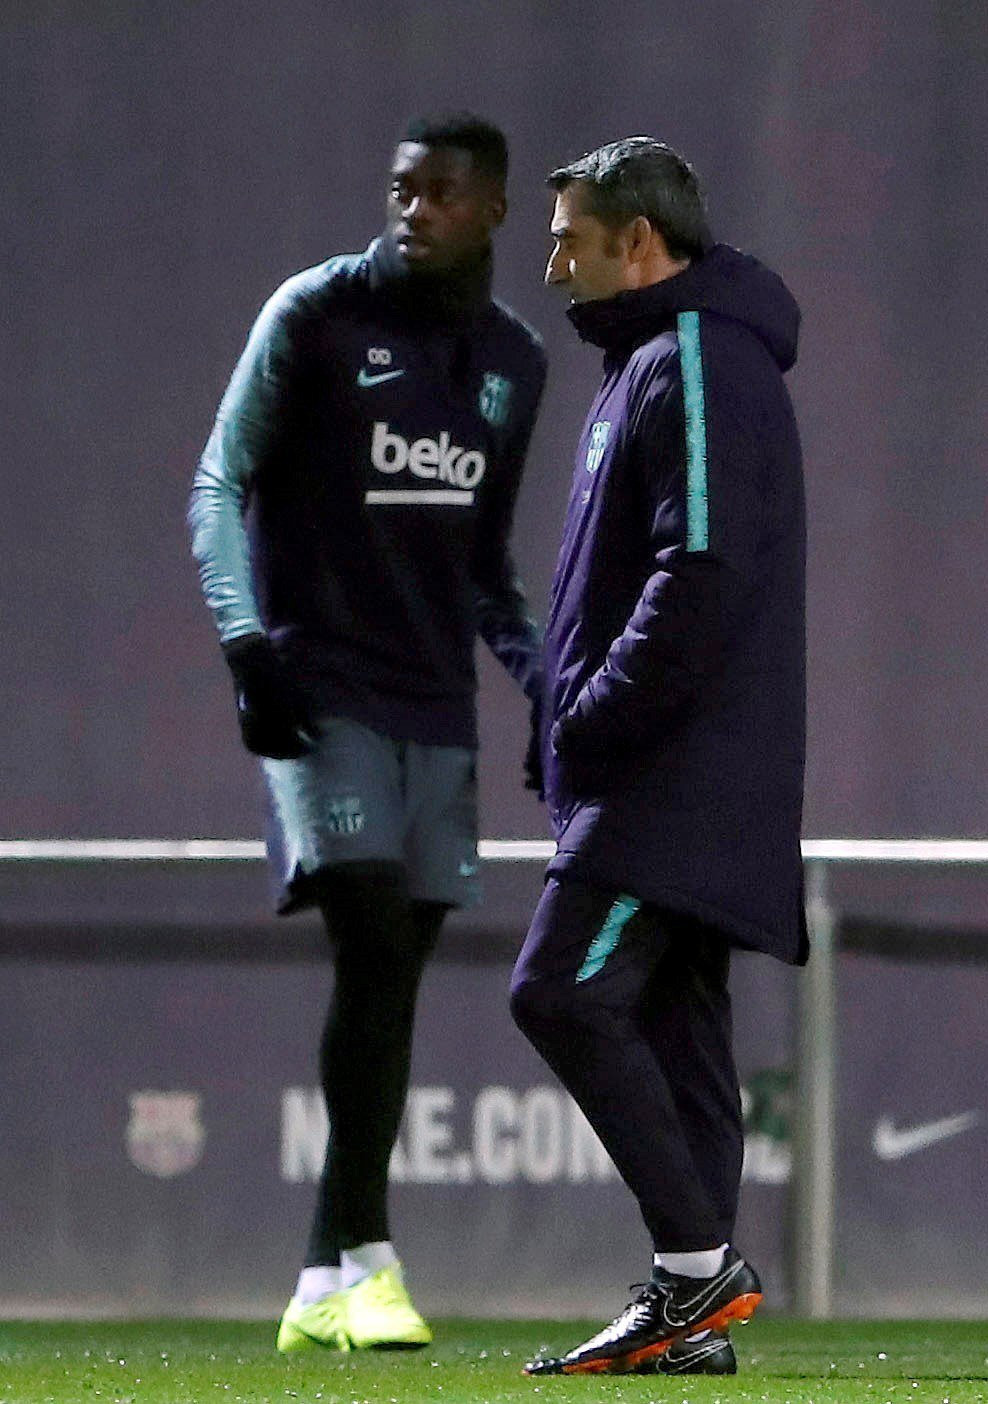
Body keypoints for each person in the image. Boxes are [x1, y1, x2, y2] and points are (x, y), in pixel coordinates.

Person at [189, 113, 546, 1354]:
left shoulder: (513, 362)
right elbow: (219, 479)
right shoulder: (316, 314)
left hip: (432, 705)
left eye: (442, 192)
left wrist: (540, 680)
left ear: (492, 210)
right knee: (374, 935)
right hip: (319, 687)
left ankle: (316, 1278)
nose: (414, 209)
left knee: (389, 976)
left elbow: (484, 566)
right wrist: (245, 643)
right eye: (401, 188)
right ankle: (375, 1262)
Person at [510, 137, 807, 1378]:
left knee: (561, 992)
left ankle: (698, 1273)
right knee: (678, 1032)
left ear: (640, 241)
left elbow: (703, 570)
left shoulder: (692, 357)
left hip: (673, 776)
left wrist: (593, 717)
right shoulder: (651, 361)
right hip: (664, 767)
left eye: (571, 239)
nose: (553, 262)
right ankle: (691, 1306)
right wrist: (565, 719)